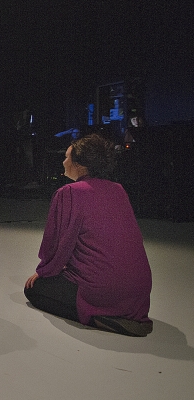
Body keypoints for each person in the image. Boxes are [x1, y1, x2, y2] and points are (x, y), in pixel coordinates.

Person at [24, 133, 153, 337]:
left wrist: (45, 271)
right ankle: (117, 312)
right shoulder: (118, 189)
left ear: (79, 164)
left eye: (67, 157)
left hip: (103, 289)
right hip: (139, 290)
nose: (63, 162)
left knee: (34, 290)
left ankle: (99, 317)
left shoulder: (69, 192)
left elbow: (58, 244)